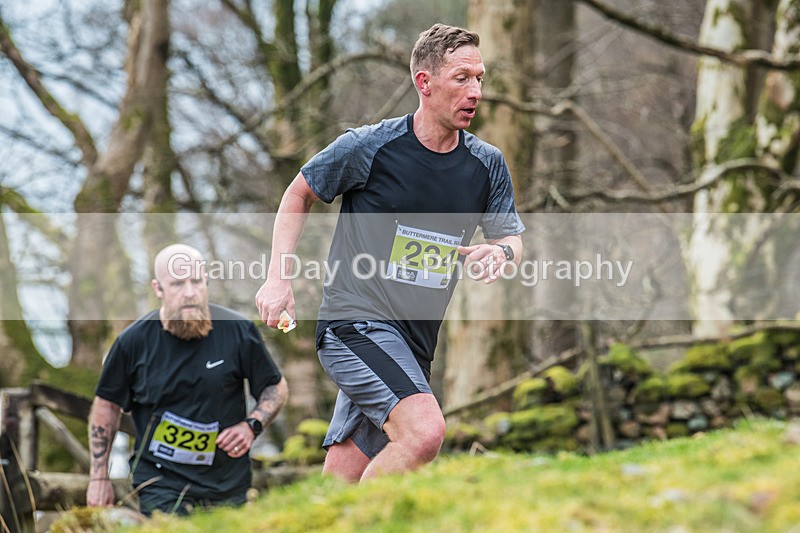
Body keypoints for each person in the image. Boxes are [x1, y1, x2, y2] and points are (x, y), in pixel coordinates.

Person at [255, 23, 524, 483]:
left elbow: (511, 237)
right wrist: (278, 278)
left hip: (413, 344)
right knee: (424, 433)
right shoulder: (369, 147)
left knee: (342, 478)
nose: (476, 91)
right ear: (425, 82)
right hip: (354, 325)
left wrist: (502, 254)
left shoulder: (487, 164)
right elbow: (298, 194)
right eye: (462, 78)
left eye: (480, 78)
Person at [87, 244, 288, 516]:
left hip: (227, 484)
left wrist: (252, 425)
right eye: (178, 284)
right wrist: (99, 478)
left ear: (206, 281)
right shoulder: (132, 342)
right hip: (159, 482)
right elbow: (106, 407)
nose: (190, 292)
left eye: (196, 281)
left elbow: (275, 386)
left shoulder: (238, 330)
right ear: (158, 289)